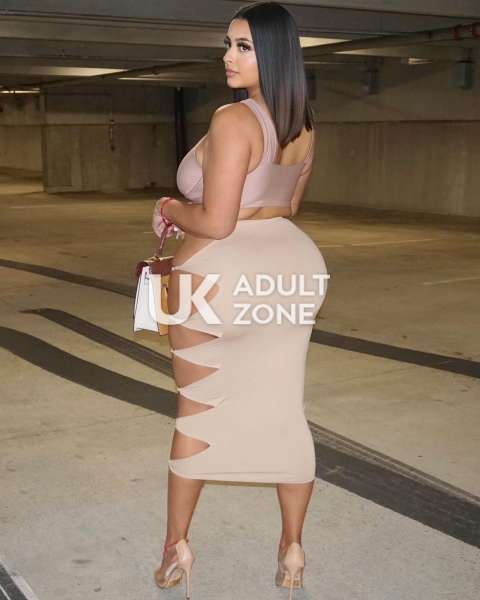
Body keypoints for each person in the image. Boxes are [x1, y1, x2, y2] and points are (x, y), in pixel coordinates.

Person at [151, 2, 329, 598]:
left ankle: (176, 549)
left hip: (217, 275)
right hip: (293, 266)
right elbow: (288, 205)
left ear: (273, 53)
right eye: (228, 44)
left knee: (199, 410)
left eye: (243, 46)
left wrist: (169, 208)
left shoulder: (233, 119)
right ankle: (292, 548)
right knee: (284, 405)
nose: (228, 56)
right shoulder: (303, 124)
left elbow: (218, 221)